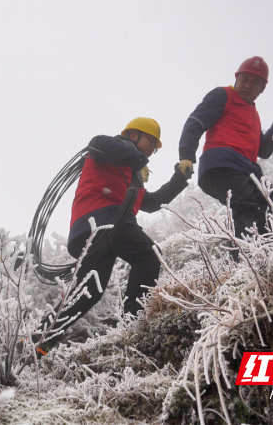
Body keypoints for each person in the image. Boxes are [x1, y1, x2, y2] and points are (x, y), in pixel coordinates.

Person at [33, 118, 189, 356]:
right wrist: (136, 160)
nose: (152, 149)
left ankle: (38, 342)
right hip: (104, 219)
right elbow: (99, 143)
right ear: (133, 135)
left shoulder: (131, 180)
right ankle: (135, 326)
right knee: (148, 255)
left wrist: (179, 178)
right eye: (150, 141)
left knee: (88, 292)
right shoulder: (108, 149)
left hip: (93, 229)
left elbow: (153, 202)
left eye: (155, 148)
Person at [177, 56, 273, 258]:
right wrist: (186, 155)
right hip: (221, 164)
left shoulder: (253, 114)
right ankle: (246, 264)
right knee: (244, 204)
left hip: (248, 170)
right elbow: (195, 122)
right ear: (236, 78)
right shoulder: (223, 95)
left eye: (254, 82)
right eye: (244, 79)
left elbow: (263, 149)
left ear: (262, 88)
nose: (248, 85)